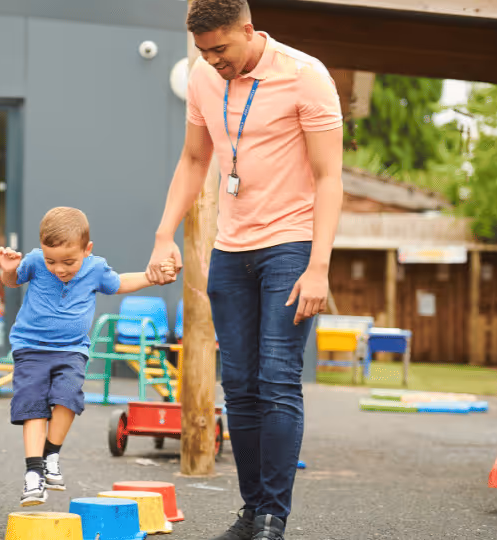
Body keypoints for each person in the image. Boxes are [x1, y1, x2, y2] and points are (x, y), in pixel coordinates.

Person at [145, 1, 344, 539]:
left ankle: (274, 517)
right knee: (238, 385)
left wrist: (320, 266)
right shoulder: (202, 79)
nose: (212, 62)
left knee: (278, 379)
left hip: (292, 244)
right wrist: (164, 234)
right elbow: (194, 160)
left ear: (248, 31)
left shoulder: (306, 77)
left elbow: (329, 177)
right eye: (203, 52)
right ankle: (253, 510)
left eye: (220, 50)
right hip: (231, 249)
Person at [0, 206, 175, 506]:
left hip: (71, 350)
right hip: (30, 347)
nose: (60, 269)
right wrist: (7, 269)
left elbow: (118, 283)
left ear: (87, 250)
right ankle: (33, 474)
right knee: (32, 407)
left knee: (68, 398)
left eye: (69, 261)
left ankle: (51, 454)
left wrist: (151, 277)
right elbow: (12, 281)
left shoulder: (95, 268)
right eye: (52, 260)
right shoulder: (36, 262)